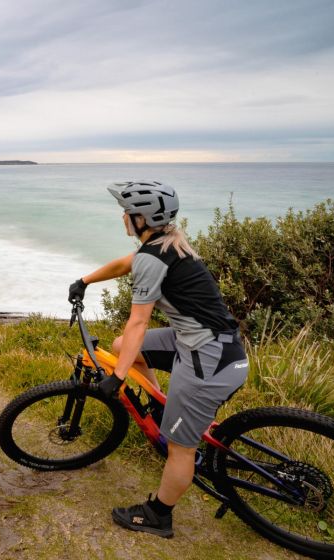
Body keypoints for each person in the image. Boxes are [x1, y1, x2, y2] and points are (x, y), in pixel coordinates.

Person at [68, 181, 248, 539]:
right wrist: (84, 281)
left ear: (141, 218)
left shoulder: (154, 256)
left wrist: (117, 378)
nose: (122, 217)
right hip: (205, 342)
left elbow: (139, 320)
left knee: (181, 449)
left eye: (127, 212)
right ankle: (159, 404)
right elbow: (125, 264)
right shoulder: (167, 243)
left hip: (207, 360)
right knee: (122, 345)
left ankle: (158, 515)